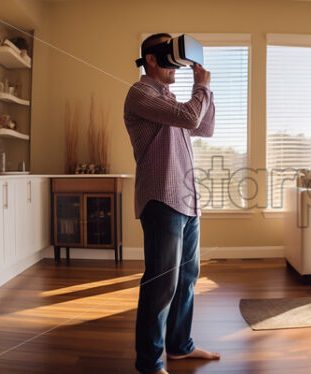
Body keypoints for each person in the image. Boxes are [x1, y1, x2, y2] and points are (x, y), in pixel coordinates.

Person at [124, 33, 220, 374]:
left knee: (187, 278)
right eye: (169, 54)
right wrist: (200, 89)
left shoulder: (173, 100)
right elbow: (193, 117)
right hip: (161, 199)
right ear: (152, 59)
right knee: (162, 281)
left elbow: (204, 126)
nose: (176, 63)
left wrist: (205, 87)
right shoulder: (141, 93)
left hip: (187, 201)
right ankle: (148, 363)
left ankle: (180, 346)